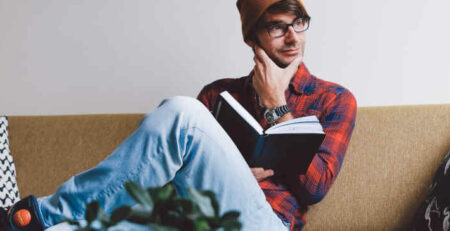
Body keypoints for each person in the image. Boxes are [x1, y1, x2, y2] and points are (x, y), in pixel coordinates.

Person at [0, 0, 356, 230]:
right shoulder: (220, 93)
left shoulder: (334, 99)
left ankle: (41, 213)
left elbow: (316, 188)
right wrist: (225, 171)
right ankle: (49, 222)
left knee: (183, 113)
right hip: (190, 217)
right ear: (252, 39)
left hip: (263, 222)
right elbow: (164, 181)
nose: (292, 37)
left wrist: (277, 104)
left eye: (299, 23)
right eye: (278, 27)